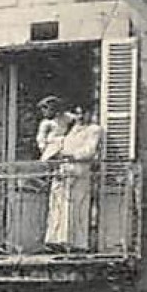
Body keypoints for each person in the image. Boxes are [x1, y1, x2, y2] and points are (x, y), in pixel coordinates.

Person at [48, 105, 103, 251]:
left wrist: (71, 155)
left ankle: (77, 244)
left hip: (80, 172)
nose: (80, 117)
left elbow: (90, 150)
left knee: (77, 208)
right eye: (77, 113)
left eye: (83, 113)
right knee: (60, 207)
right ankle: (59, 240)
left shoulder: (94, 130)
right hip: (64, 171)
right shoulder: (70, 130)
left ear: (90, 113)